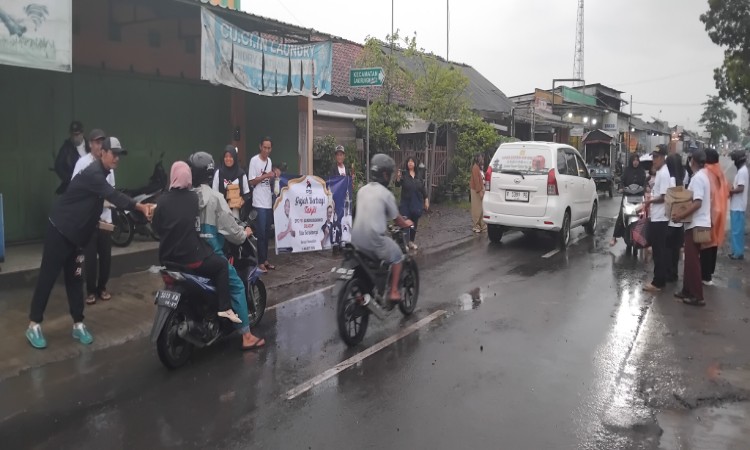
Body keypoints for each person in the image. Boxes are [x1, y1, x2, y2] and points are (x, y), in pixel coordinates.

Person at [26, 135, 151, 349]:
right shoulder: (94, 173)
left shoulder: (104, 174)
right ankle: (33, 324)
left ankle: (78, 324)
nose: (117, 158)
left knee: (76, 279)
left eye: (119, 155)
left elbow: (95, 202)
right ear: (102, 152)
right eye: (113, 153)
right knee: (47, 277)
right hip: (60, 231)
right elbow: (113, 196)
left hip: (77, 238)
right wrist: (140, 206)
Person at [190, 152, 265, 350]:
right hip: (212, 255)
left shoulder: (188, 196)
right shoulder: (215, 198)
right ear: (210, 173)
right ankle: (246, 336)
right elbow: (233, 232)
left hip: (189, 254)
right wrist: (244, 233)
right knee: (238, 286)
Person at [152, 161, 242, 325]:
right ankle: (224, 309)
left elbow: (156, 228)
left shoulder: (162, 200)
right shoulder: (194, 198)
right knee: (222, 265)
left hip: (167, 259)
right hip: (191, 259)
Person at [352, 154, 414, 302]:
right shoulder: (386, 194)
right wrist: (406, 223)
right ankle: (393, 291)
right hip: (374, 240)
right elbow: (397, 219)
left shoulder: (362, 190)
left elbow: (355, 212)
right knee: (397, 256)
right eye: (390, 174)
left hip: (355, 240)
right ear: (385, 174)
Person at [71, 132, 113, 305]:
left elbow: (111, 190)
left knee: (106, 257)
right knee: (89, 259)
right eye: (97, 142)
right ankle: (90, 291)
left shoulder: (108, 164)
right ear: (90, 144)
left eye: (102, 143)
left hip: (105, 220)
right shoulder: (82, 163)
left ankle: (102, 287)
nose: (99, 146)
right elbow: (75, 188)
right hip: (88, 221)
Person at [672, 150, 711, 307]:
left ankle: (697, 295)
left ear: (693, 161)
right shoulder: (703, 176)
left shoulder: (698, 178)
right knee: (689, 259)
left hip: (696, 224)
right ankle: (687, 290)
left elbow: (697, 203)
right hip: (699, 223)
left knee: (692, 261)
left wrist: (680, 216)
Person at [248, 137, 280, 273]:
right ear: (260, 146)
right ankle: (260, 262)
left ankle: (265, 260)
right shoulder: (254, 161)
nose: (266, 150)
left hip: (267, 201)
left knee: (267, 233)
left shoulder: (269, 161)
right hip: (258, 201)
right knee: (260, 233)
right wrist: (266, 176)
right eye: (264, 147)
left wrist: (275, 174)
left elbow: (270, 179)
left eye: (269, 148)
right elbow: (251, 181)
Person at [642, 145, 670, 293]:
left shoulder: (664, 173)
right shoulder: (660, 172)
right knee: (657, 250)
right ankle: (660, 279)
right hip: (657, 216)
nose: (654, 160)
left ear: (663, 158)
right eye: (653, 157)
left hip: (660, 218)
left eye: (656, 157)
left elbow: (664, 197)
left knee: (659, 251)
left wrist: (649, 202)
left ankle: (658, 282)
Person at [700, 149, 729, 285]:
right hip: (720, 211)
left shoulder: (708, 172)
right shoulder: (720, 172)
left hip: (711, 213)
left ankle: (705, 276)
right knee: (714, 244)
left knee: (706, 245)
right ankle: (709, 272)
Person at [610, 154, 647, 246]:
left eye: (637, 160)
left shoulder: (642, 171)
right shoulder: (627, 170)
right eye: (634, 160)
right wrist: (621, 188)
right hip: (627, 196)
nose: (635, 162)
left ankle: (645, 238)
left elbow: (645, 183)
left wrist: (645, 188)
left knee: (644, 217)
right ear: (631, 161)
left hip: (639, 197)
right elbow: (622, 181)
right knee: (621, 215)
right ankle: (614, 237)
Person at [395, 157, 429, 250]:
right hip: (406, 203)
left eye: (412, 161)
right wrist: (398, 177)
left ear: (414, 164)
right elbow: (397, 185)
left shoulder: (418, 176)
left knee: (414, 223)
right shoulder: (404, 174)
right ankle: (405, 243)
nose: (410, 163)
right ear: (407, 164)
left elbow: (423, 188)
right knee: (405, 223)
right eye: (409, 162)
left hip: (416, 203)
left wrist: (426, 199)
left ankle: (411, 242)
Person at [212, 145, 251, 217]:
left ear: (235, 158)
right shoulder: (219, 173)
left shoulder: (241, 174)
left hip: (236, 211)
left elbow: (246, 194)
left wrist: (240, 202)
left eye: (231, 157)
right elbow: (214, 192)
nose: (228, 159)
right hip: (221, 211)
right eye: (226, 157)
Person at [54, 121, 91, 194]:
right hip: (72, 188)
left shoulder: (90, 146)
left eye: (76, 134)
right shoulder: (66, 148)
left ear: (82, 133)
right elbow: (58, 166)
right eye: (72, 134)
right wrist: (69, 178)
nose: (74, 137)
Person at [665, 153, 685, 283]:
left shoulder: (670, 179)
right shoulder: (682, 177)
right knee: (676, 248)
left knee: (668, 247)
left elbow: (669, 199)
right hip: (680, 219)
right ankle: (674, 272)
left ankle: (669, 273)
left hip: (671, 219)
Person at [728, 150, 748, 260]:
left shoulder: (742, 172)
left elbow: (741, 188)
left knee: (736, 232)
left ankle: (737, 253)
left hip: (738, 206)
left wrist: (730, 191)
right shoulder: (742, 170)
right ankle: (737, 251)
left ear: (738, 160)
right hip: (737, 205)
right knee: (737, 231)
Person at [470, 153, 487, 233]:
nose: (483, 160)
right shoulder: (475, 168)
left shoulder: (480, 168)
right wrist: (480, 191)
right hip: (476, 190)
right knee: (477, 209)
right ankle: (476, 226)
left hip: (481, 188)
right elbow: (476, 181)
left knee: (482, 209)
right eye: (481, 158)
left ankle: (483, 225)